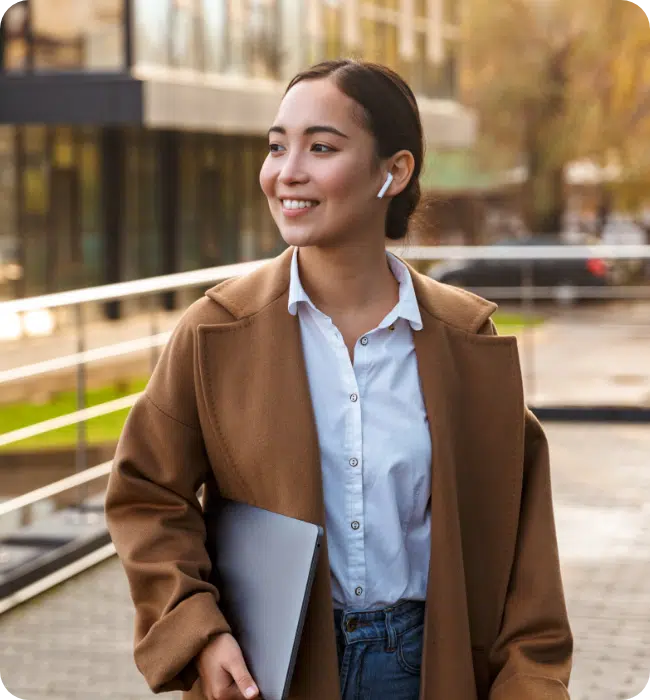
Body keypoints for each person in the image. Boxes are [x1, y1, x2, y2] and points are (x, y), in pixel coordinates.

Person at [105, 59, 573, 700]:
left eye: (320, 147)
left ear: (395, 170)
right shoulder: (214, 332)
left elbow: (524, 558)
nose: (285, 172)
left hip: (433, 669)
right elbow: (146, 494)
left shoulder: (467, 341)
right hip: (270, 675)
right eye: (277, 146)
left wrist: (530, 685)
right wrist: (197, 629)